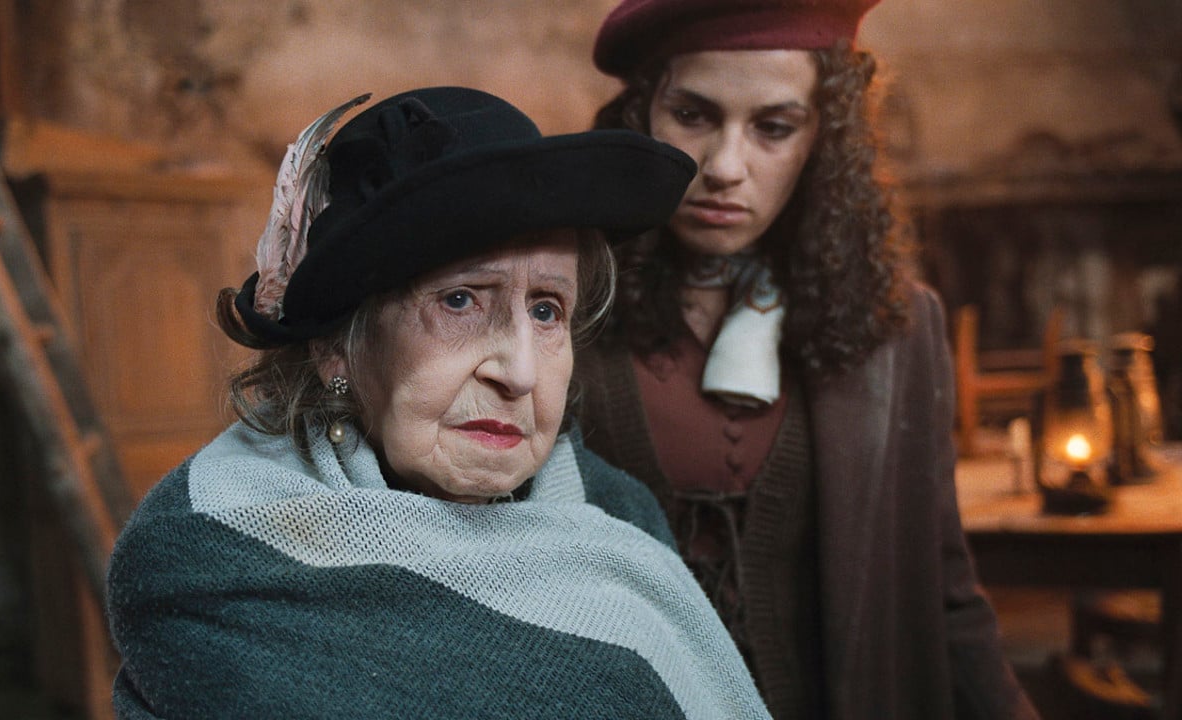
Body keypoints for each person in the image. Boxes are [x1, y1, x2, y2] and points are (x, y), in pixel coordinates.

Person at [105, 86, 772, 719]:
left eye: (546, 310)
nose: (520, 373)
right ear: (337, 347)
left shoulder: (619, 516)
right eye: (460, 300)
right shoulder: (216, 557)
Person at [575, 2, 1041, 719]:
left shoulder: (896, 331)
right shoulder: (563, 312)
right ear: (642, 117)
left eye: (773, 127)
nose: (724, 167)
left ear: (825, 139)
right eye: (693, 116)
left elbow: (943, 592)